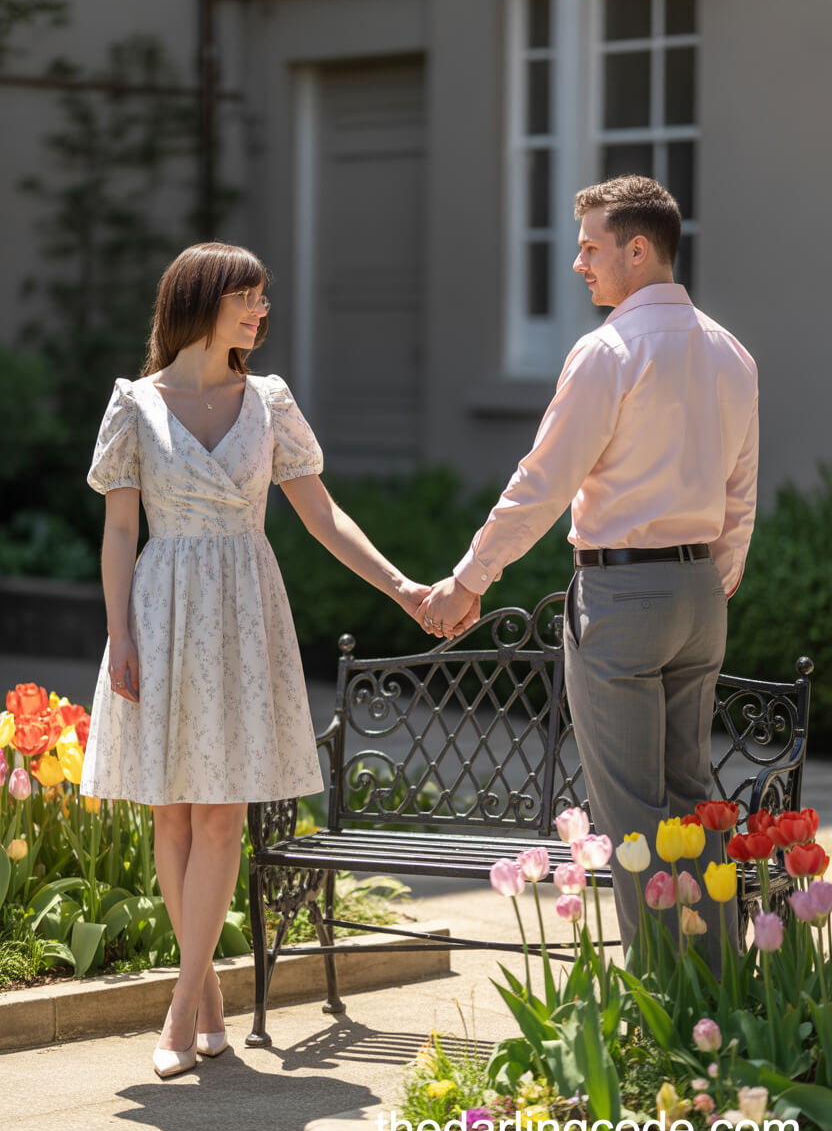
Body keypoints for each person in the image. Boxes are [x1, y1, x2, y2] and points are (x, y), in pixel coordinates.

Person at [80, 242, 429, 1078]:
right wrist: (119, 635)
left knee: (222, 815)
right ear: (202, 302)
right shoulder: (135, 404)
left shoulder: (270, 402)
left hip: (244, 611)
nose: (262, 312)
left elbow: (322, 516)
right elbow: (121, 531)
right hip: (161, 612)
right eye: (249, 298)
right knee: (172, 810)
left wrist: (404, 588)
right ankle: (205, 1001)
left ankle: (178, 1010)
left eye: (264, 300)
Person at [419, 175, 758, 969]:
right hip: (700, 596)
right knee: (691, 802)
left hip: (623, 594)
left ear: (639, 250)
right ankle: (716, 991)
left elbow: (542, 481)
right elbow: (740, 496)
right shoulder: (731, 352)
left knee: (633, 814)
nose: (578, 264)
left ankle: (658, 1006)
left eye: (590, 247)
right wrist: (712, 583)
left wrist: (470, 579)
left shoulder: (608, 352)